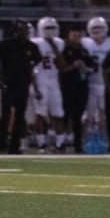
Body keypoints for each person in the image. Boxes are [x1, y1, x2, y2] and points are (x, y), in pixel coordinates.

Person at [0, 21, 42, 154]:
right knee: (5, 114)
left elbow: (34, 66)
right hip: (8, 82)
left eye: (26, 30)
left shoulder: (32, 46)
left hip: (23, 84)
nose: (24, 33)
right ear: (15, 31)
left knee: (20, 115)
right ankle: (2, 143)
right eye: (21, 30)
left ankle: (15, 145)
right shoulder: (6, 44)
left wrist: (34, 84)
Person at [82, 16, 110, 151]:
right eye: (94, 28)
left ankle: (106, 141)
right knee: (88, 116)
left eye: (99, 28)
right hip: (90, 84)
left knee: (104, 116)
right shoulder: (85, 42)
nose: (97, 31)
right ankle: (87, 141)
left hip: (105, 85)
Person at [31, 17, 67, 153]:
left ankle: (60, 143)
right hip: (40, 77)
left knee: (58, 112)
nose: (50, 31)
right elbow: (31, 66)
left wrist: (54, 47)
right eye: (48, 28)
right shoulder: (35, 43)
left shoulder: (59, 43)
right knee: (40, 112)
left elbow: (62, 65)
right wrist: (34, 87)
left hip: (54, 78)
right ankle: (42, 144)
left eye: (52, 28)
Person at [60, 29, 91, 153]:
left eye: (78, 35)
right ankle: (60, 143)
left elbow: (91, 68)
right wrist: (74, 66)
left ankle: (78, 145)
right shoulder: (64, 50)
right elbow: (61, 69)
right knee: (65, 116)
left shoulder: (84, 51)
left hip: (81, 87)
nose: (76, 37)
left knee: (78, 118)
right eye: (74, 35)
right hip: (67, 86)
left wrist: (84, 67)